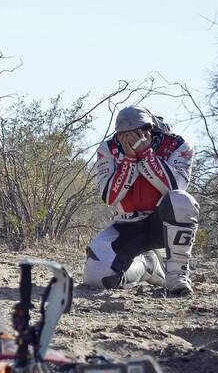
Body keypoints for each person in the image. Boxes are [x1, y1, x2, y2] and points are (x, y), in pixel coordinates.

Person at [83, 106, 198, 296]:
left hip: (163, 222)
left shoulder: (178, 145)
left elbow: (174, 187)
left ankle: (177, 275)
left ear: (150, 128)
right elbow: (110, 197)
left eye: (138, 132)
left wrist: (146, 154)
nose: (131, 138)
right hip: (128, 223)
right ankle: (146, 266)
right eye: (123, 134)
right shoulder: (108, 149)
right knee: (96, 276)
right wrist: (129, 159)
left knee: (181, 200)